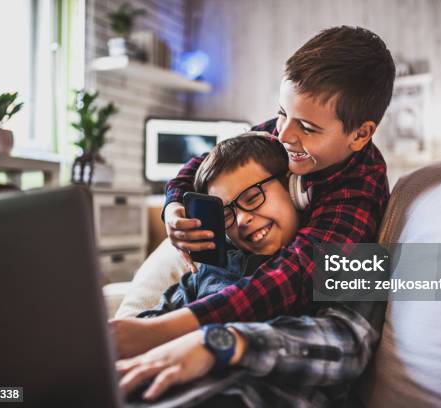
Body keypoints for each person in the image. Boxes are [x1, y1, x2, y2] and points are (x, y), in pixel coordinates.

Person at [113, 26, 395, 405]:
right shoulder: (283, 138)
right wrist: (174, 204)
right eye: (282, 114)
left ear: (360, 135)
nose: (283, 135)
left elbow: (297, 285)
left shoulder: (358, 201)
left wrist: (190, 335)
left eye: (308, 128)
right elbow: (201, 164)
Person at [136, 134, 299, 321]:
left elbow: (336, 329)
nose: (241, 220)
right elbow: (149, 323)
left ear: (292, 188)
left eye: (253, 198)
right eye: (226, 214)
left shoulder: (327, 257)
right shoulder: (211, 270)